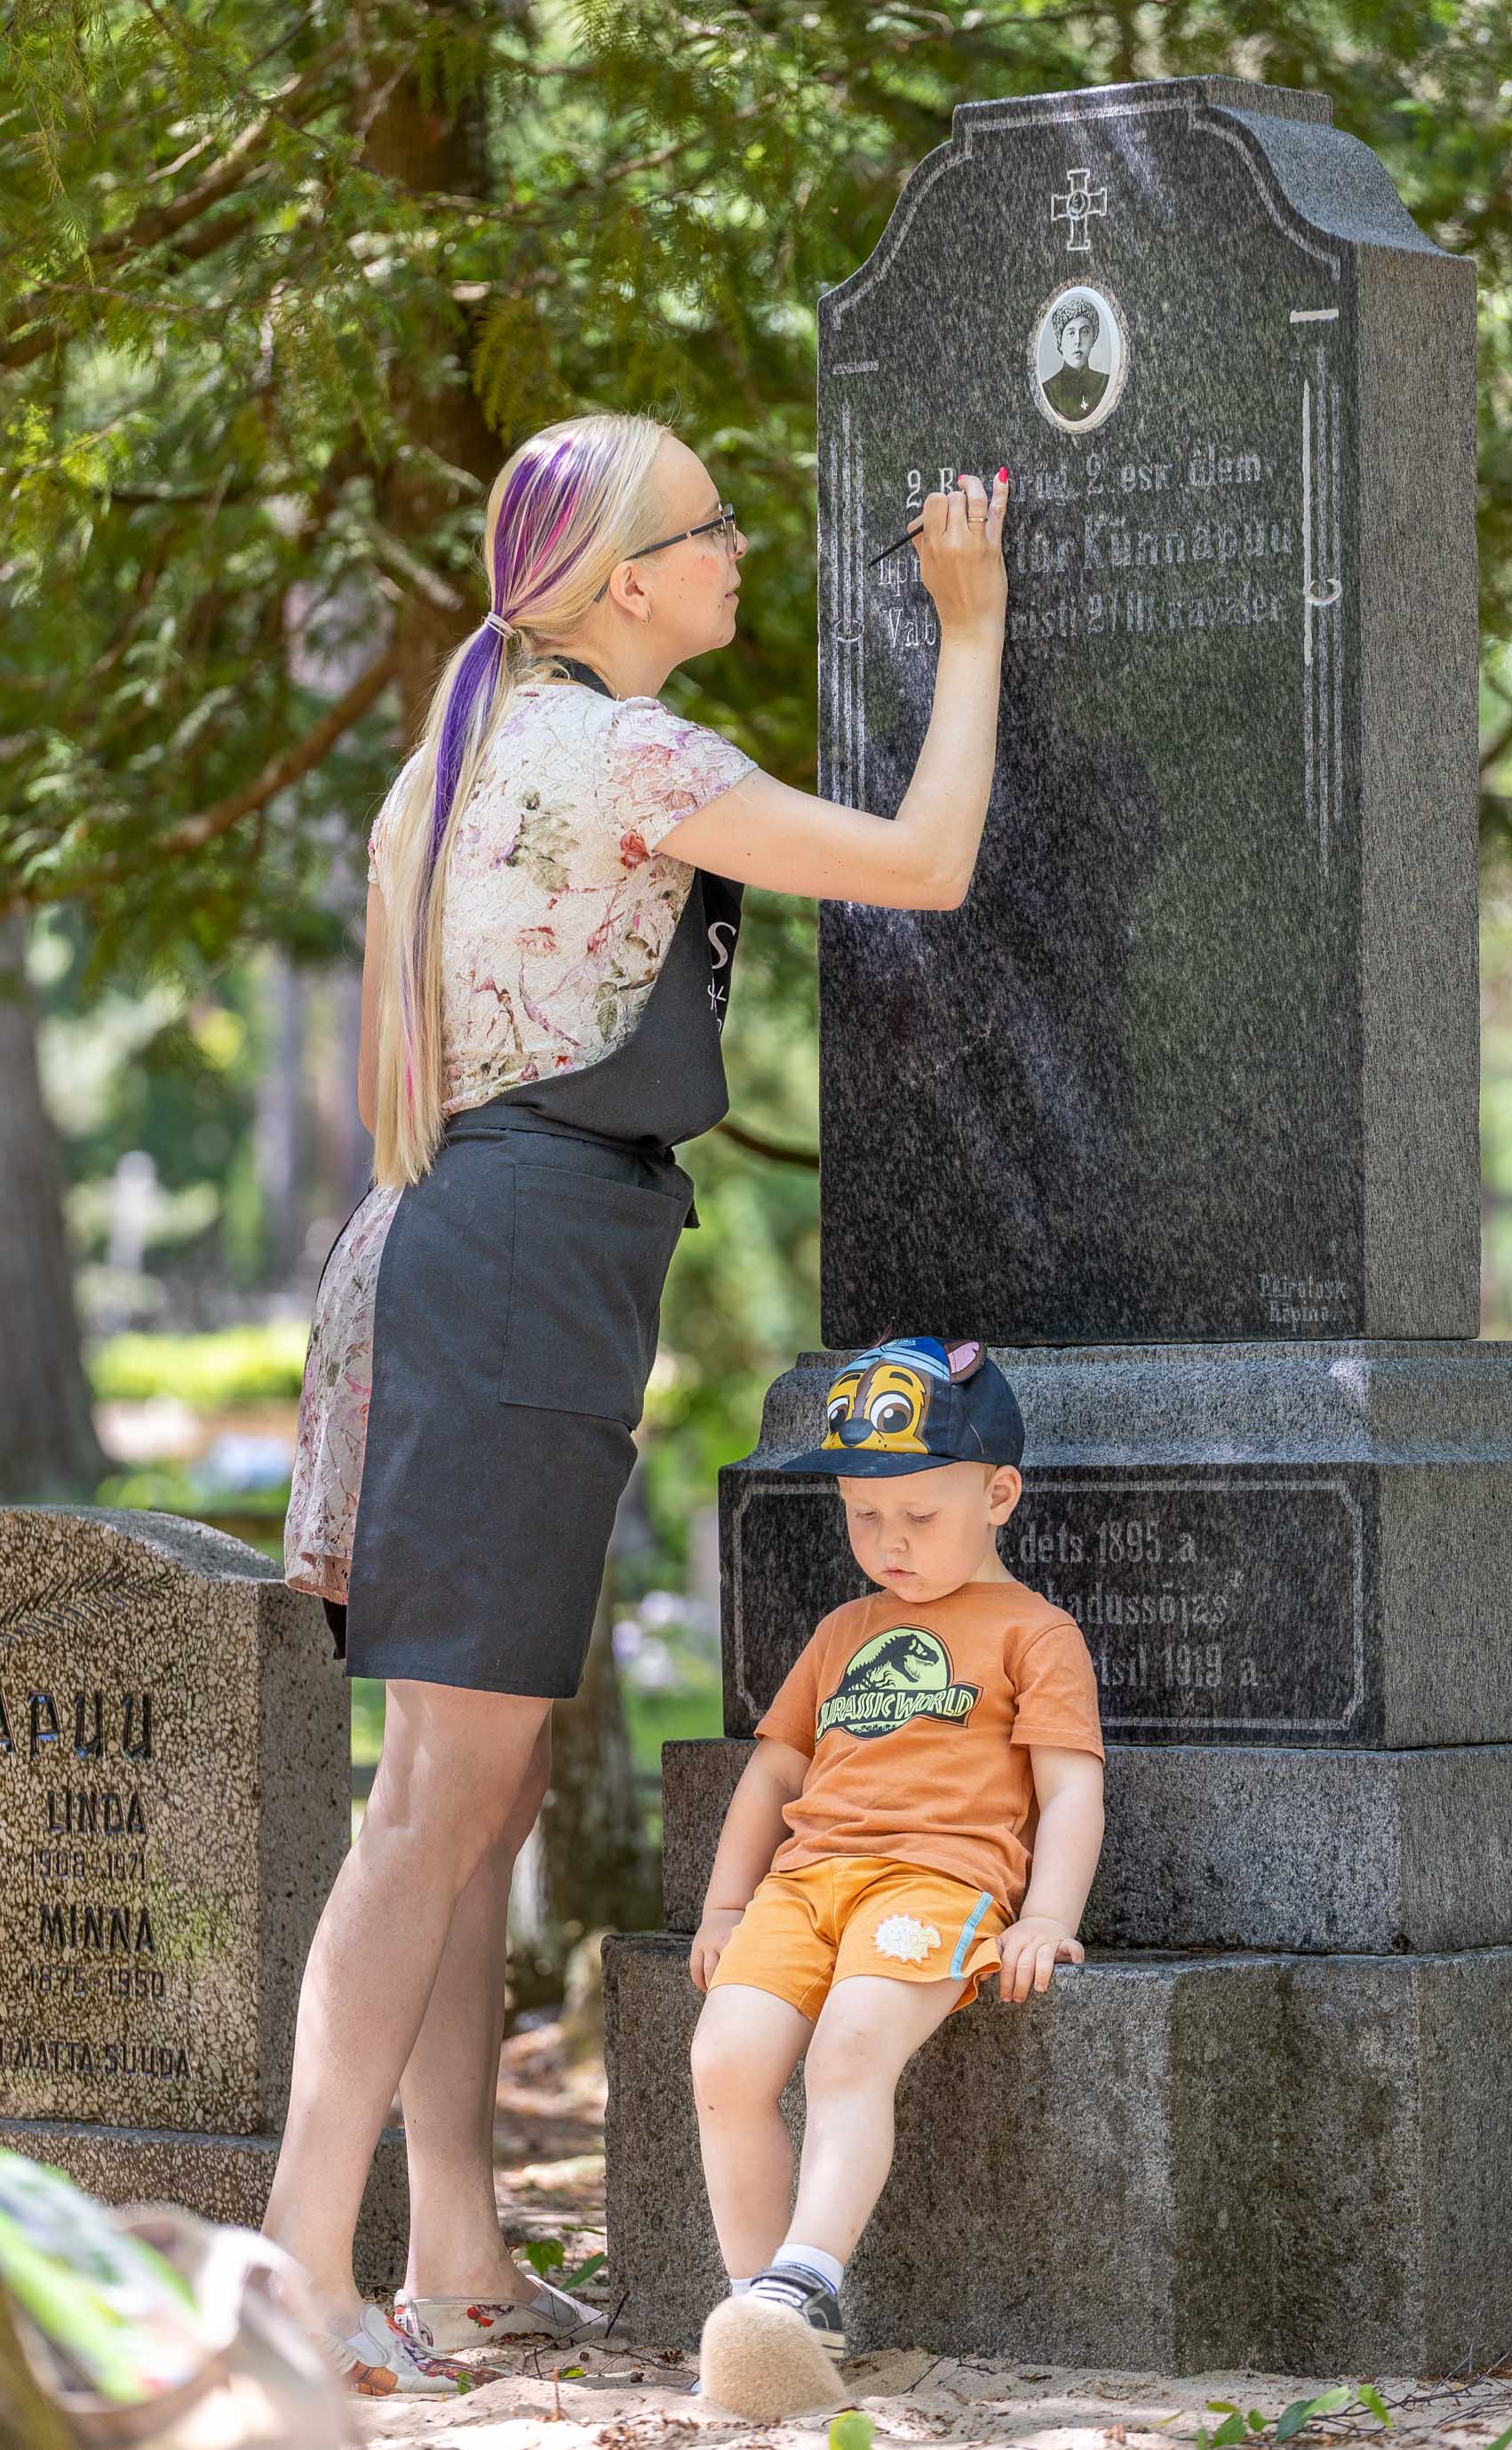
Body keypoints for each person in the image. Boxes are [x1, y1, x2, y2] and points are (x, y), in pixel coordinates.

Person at [267, 417, 1013, 2398]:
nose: (739, 553)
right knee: (435, 1799)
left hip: (473, 1252)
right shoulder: (629, 760)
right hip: (518, 1271)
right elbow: (926, 866)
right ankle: (290, 2269)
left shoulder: (464, 755)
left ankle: (451, 2254)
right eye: (712, 530)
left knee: (476, 1789)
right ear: (622, 582)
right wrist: (970, 627)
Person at [686, 1337, 1105, 2423]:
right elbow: (775, 1768)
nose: (888, 1542)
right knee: (724, 2057)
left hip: (933, 1885)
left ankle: (808, 2279)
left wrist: (1047, 1914)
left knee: (854, 2044)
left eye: (918, 1516)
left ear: (997, 1493)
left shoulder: (1034, 1634)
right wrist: (727, 1903)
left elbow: (1067, 1791)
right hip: (803, 1884)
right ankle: (756, 2319)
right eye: (863, 1517)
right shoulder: (843, 1631)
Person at [1041, 295, 1110, 422]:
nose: (1078, 341)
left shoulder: (1105, 382)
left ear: (1093, 338)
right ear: (1059, 341)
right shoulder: (1048, 389)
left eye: (1084, 332)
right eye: (1071, 333)